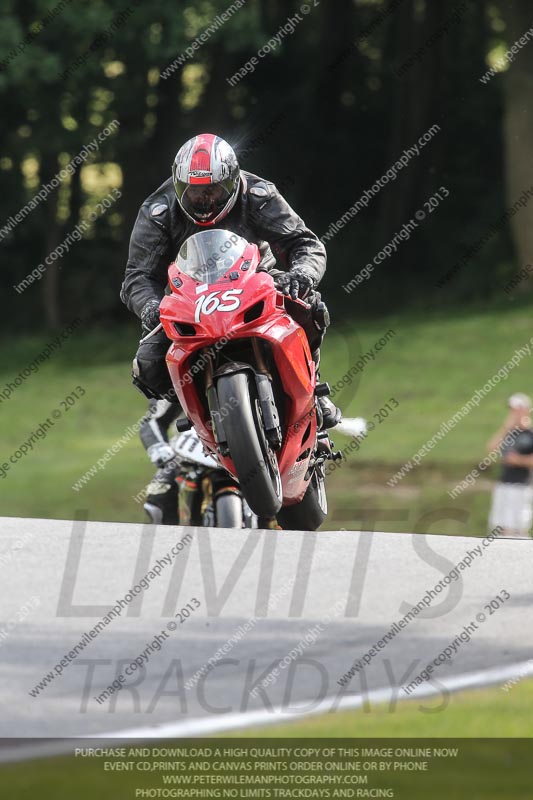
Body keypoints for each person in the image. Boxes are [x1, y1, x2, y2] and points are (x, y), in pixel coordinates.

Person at [120, 132, 340, 429]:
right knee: (148, 364)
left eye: (214, 190)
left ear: (233, 181)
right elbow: (137, 275)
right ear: (178, 185)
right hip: (188, 297)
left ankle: (313, 388)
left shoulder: (258, 194)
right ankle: (195, 412)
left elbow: (304, 243)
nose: (204, 199)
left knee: (309, 307)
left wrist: (301, 274)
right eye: (194, 191)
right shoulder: (158, 211)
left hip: (258, 279)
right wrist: (149, 305)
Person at [487, 393, 533, 538]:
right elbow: (491, 448)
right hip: (504, 484)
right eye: (512, 410)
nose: (514, 413)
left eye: (517, 410)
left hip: (522, 486)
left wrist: (518, 460)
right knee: (500, 527)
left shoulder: (530, 433)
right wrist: (506, 427)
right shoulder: (509, 433)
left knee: (519, 529)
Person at [139, 398, 181, 525]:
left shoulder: (242, 383)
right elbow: (153, 420)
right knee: (159, 495)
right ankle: (165, 540)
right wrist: (160, 449)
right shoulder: (181, 381)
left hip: (236, 452)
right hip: (186, 455)